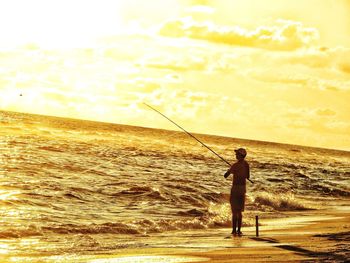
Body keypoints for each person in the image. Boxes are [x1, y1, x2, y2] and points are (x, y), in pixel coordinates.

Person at [224, 148, 250, 236]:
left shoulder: (235, 165)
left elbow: (225, 176)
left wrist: (229, 170)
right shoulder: (246, 165)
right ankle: (239, 230)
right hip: (243, 189)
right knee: (239, 211)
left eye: (237, 154)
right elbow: (248, 176)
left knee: (234, 211)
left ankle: (234, 230)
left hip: (235, 189)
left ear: (240, 155)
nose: (235, 155)